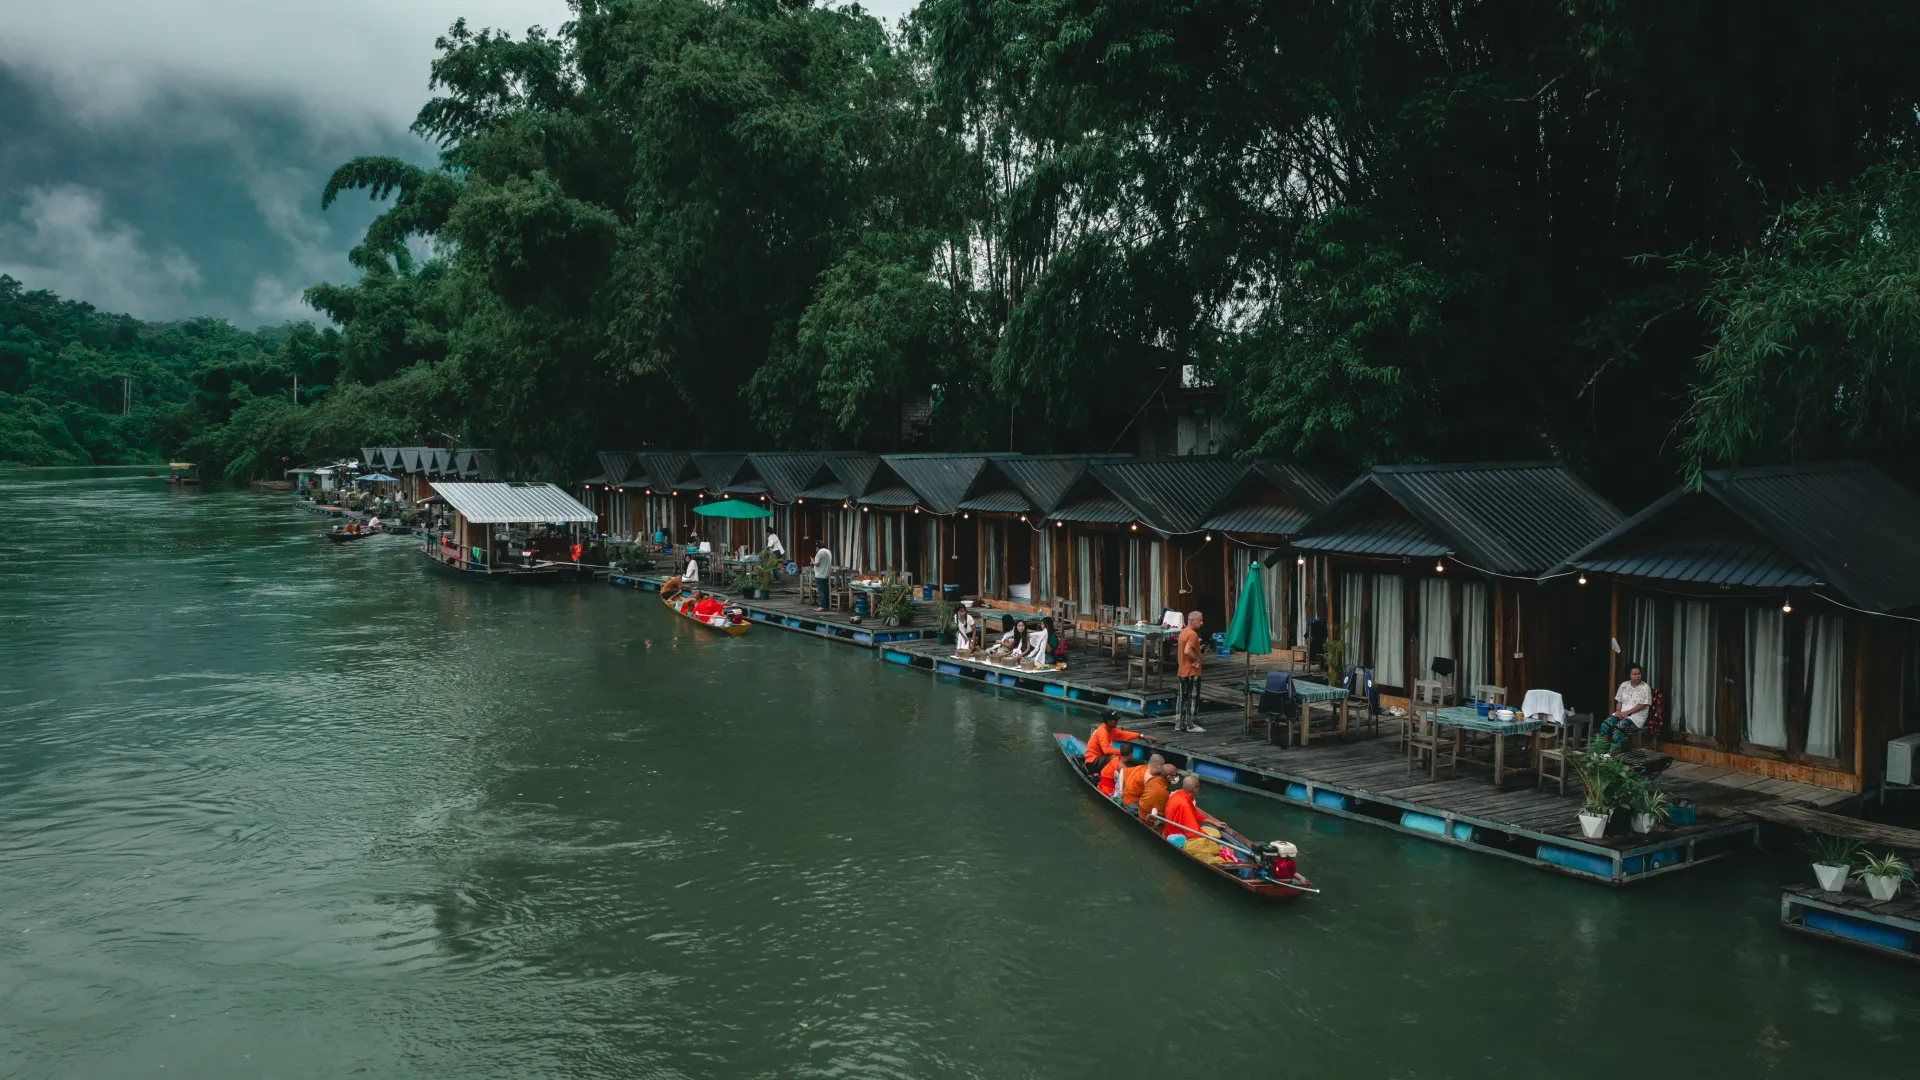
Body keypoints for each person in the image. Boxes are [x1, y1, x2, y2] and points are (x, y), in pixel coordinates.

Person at [1599, 663, 1654, 751]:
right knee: (1605, 725)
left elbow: (1643, 704)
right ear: (1629, 675)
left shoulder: (1645, 687)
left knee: (1619, 727)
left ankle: (1612, 754)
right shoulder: (1624, 685)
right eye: (1634, 674)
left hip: (1636, 717)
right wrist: (1618, 711)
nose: (1637, 676)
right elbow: (1619, 701)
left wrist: (1627, 713)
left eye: (1639, 674)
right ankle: (1601, 750)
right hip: (1622, 714)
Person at [1174, 609, 1207, 734]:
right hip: (1192, 671)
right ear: (1192, 621)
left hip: (1182, 670)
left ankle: (1179, 723)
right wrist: (1197, 659)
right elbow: (1187, 651)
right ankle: (1191, 724)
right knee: (1192, 698)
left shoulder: (1183, 632)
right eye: (1199, 621)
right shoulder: (1193, 634)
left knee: (1182, 698)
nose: (1202, 623)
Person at [1082, 710, 1147, 773]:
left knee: (1131, 760)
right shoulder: (1102, 732)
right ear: (1108, 721)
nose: (1117, 722)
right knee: (1114, 756)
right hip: (1092, 763)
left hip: (1101, 759)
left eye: (1117, 720)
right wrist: (1122, 752)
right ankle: (1125, 775)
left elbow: (1124, 734)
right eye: (1115, 720)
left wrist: (1141, 736)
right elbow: (1106, 750)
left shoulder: (1112, 730)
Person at [1156, 772, 1209, 840]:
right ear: (1194, 789)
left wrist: (1214, 822)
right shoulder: (1184, 805)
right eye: (1199, 786)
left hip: (1168, 829)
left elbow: (1195, 813)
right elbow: (1193, 832)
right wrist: (1210, 838)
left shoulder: (1177, 794)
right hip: (1176, 835)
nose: (1199, 789)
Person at [812, 542, 834, 611]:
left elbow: (817, 564)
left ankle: (822, 606)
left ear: (817, 547)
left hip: (820, 574)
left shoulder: (819, 553)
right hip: (826, 574)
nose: (815, 549)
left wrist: (812, 561)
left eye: (816, 548)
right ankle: (826, 605)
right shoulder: (828, 551)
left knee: (821, 591)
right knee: (825, 590)